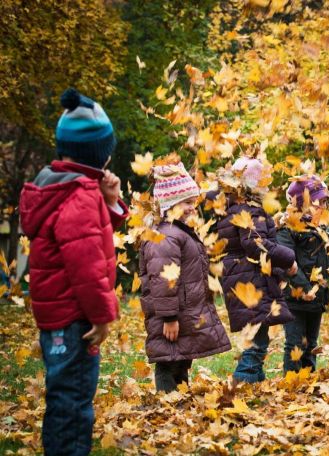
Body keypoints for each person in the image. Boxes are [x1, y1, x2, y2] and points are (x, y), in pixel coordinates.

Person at [19, 88, 129, 455]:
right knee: (73, 401)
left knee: (65, 394)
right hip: (75, 316)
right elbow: (87, 264)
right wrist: (102, 315)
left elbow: (90, 235)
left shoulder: (60, 185)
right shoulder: (79, 195)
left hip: (58, 314)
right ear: (99, 154)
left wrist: (109, 201)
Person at [140, 162, 231, 392]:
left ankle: (180, 399)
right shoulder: (165, 236)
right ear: (170, 205)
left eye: (193, 202)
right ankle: (167, 402)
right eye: (187, 202)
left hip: (183, 311)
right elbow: (162, 281)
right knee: (168, 361)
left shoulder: (178, 232)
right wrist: (169, 317)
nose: (193, 208)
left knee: (180, 358)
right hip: (172, 314)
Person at [212, 156, 298, 383]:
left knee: (257, 335)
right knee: (257, 342)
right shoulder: (251, 209)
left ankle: (256, 382)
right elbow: (254, 243)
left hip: (240, 275)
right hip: (251, 278)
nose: (268, 187)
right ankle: (243, 382)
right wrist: (288, 259)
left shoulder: (231, 208)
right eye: (264, 182)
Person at [276, 175, 329, 373]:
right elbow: (286, 261)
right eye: (318, 202)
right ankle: (292, 380)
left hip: (317, 296)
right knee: (295, 343)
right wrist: (305, 288)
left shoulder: (325, 228)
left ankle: (308, 378)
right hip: (295, 296)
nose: (323, 206)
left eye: (325, 201)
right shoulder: (288, 228)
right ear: (302, 203)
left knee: (311, 343)